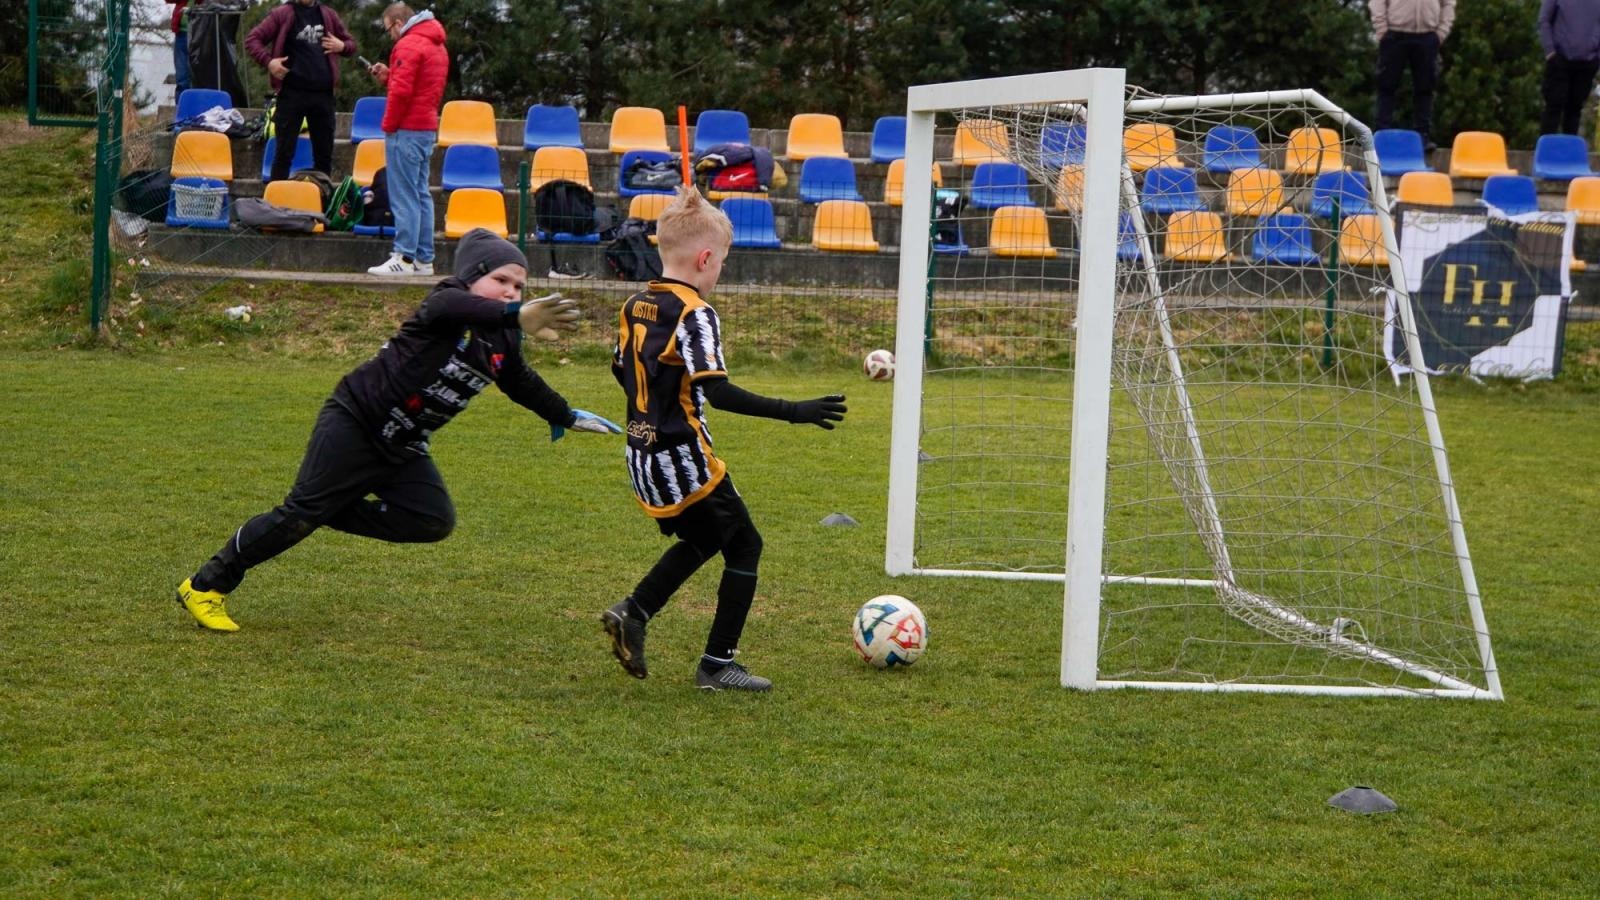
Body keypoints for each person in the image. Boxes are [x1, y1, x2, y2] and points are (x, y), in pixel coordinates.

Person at [176, 229, 619, 631]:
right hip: (356, 421)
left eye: (520, 286)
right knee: (297, 517)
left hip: (405, 443)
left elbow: (518, 378)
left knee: (431, 520)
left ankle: (321, 509)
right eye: (502, 280)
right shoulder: (446, 301)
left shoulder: (503, 335)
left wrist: (565, 415)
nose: (512, 291)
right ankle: (205, 585)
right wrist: (513, 312)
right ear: (470, 276)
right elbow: (454, 306)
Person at [601, 187, 848, 692]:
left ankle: (635, 611)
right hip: (683, 456)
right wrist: (795, 412)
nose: (720, 274)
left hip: (640, 452)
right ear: (705, 257)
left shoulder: (635, 303)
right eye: (723, 263)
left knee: (706, 536)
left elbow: (619, 369)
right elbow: (718, 392)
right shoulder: (695, 313)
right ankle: (717, 664)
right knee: (745, 545)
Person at [366, 3, 449, 277]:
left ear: (398, 23)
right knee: (421, 193)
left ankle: (403, 256)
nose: (390, 35)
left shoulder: (408, 44)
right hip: (426, 127)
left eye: (389, 28)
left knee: (404, 195)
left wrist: (388, 126)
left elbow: (401, 94)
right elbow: (418, 86)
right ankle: (424, 259)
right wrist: (389, 76)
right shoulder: (436, 44)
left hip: (406, 129)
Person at [245, 0, 358, 182]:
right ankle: (275, 207)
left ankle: (320, 204)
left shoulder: (328, 14)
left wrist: (342, 46)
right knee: (283, 155)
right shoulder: (282, 13)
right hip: (291, 94)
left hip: (323, 96)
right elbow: (252, 40)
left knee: (324, 157)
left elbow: (351, 45)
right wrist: (268, 61)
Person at [1371, 0, 1456, 149]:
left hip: (1428, 36)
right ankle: (1381, 136)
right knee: (1386, 87)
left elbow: (1448, 4)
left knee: (1425, 89)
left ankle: (1422, 137)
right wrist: (1382, 30)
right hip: (1394, 35)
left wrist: (1441, 32)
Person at [1538, 0, 1600, 136]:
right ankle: (1547, 152)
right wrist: (1550, 51)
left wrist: (1597, 58)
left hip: (1587, 63)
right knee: (1553, 106)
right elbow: (1544, 20)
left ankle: (1570, 152)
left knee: (1575, 109)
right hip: (1559, 60)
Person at [165, 0, 198, 101]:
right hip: (181, 34)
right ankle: (180, 108)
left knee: (197, 75)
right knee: (182, 76)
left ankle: (195, 106)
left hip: (200, 34)